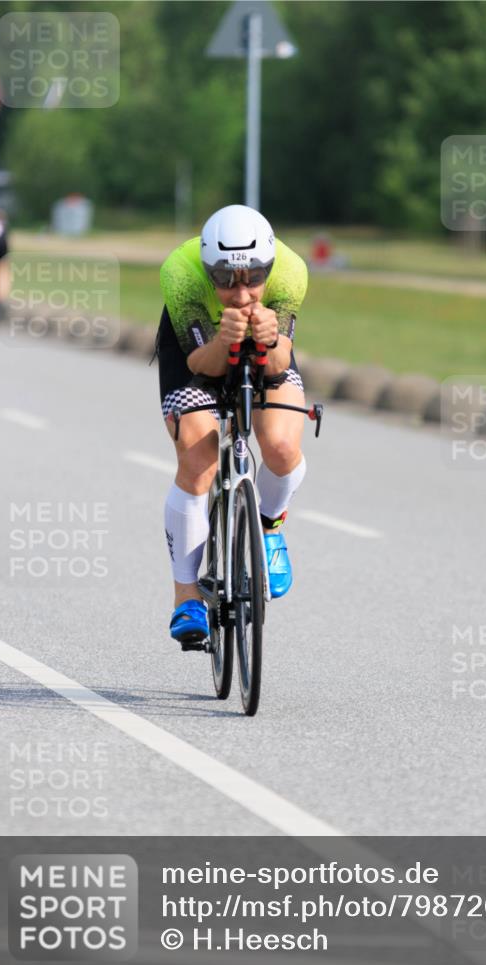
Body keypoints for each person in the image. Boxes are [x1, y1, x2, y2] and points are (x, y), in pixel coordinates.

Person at [155, 204, 308, 646]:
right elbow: (201, 363)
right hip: (199, 348)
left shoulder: (292, 271)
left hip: (266, 343)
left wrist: (271, 337)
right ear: (208, 270)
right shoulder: (181, 274)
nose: (241, 293)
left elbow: (278, 364)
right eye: (224, 280)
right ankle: (186, 597)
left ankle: (269, 526)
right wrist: (225, 338)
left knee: (280, 445)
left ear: (270, 267)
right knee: (198, 459)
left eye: (254, 278)